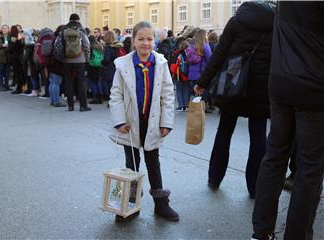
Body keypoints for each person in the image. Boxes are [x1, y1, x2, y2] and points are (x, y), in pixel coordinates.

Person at [251, 2, 324, 239]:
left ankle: (261, 232)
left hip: (281, 80)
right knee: (309, 168)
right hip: (314, 85)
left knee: (275, 157)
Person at [194, 1, 275, 198]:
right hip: (262, 88)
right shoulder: (276, 22)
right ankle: (255, 188)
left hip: (233, 83)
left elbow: (219, 54)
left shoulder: (238, 21)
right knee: (258, 136)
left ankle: (215, 177)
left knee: (224, 131)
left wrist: (203, 82)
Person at [109, 21, 178, 222]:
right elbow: (116, 94)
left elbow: (168, 94)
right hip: (130, 124)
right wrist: (120, 121)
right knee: (131, 165)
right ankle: (130, 205)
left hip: (153, 122)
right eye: (141, 39)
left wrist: (166, 122)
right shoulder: (122, 65)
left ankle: (161, 205)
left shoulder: (161, 63)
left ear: (154, 41)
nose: (145, 43)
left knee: (153, 163)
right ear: (134, 41)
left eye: (149, 39)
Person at [56, 13, 91, 111]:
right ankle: (83, 106)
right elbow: (87, 45)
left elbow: (59, 44)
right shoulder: (81, 30)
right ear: (78, 20)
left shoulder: (63, 31)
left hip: (66, 60)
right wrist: (86, 58)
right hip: (80, 60)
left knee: (68, 82)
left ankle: (70, 106)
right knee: (81, 82)